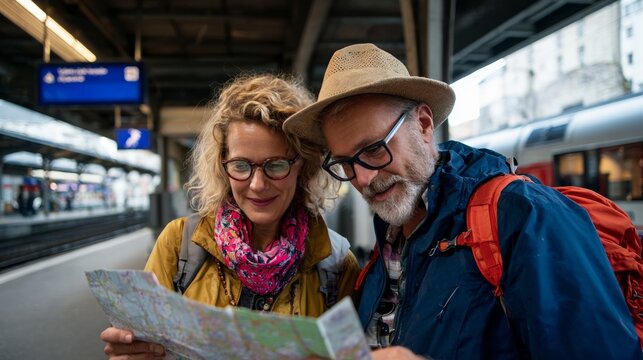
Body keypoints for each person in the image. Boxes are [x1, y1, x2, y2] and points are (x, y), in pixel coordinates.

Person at [283, 43, 642, 359]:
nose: (362, 179)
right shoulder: (383, 254)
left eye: (374, 150)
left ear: (424, 124)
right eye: (345, 163)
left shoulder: (523, 215)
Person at [100, 73, 360, 359]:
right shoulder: (180, 245)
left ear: (303, 165)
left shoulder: (335, 264)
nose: (257, 185)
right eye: (241, 165)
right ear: (222, 165)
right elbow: (141, 345)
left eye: (275, 165)